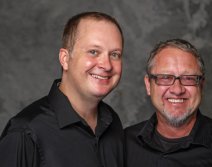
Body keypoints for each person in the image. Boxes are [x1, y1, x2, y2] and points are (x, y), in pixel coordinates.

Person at [0, 11, 124, 167]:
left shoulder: (112, 122)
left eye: (114, 54)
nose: (106, 65)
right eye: (93, 52)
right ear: (65, 59)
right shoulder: (24, 133)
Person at [125, 39, 212, 166]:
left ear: (201, 85)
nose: (177, 90)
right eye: (166, 77)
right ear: (148, 85)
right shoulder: (122, 146)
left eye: (189, 78)